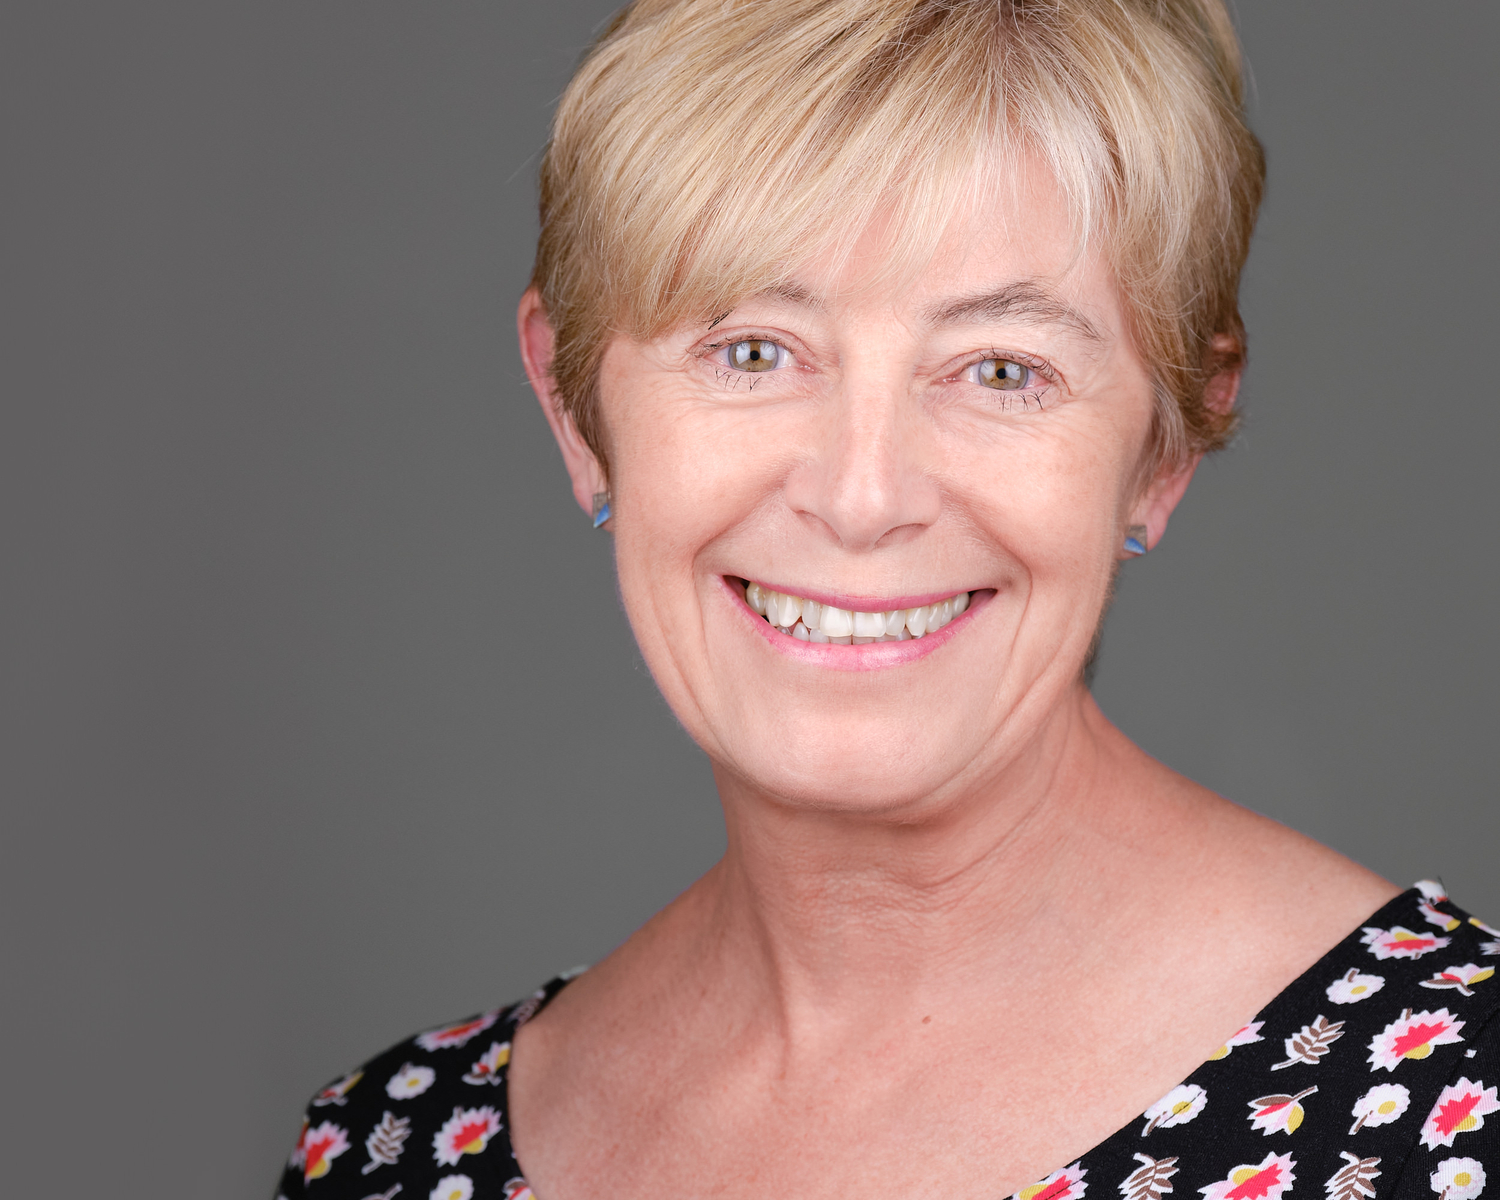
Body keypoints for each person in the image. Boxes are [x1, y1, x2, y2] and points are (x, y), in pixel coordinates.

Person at [275, 2, 1500, 1197]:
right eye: (753, 350)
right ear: (573, 406)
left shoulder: (1459, 1103)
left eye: (1003, 370)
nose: (862, 497)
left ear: (1167, 446)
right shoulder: (387, 1152)